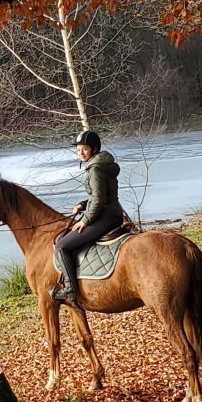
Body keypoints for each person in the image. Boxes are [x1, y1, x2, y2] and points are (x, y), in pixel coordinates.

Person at [50, 129, 124, 307]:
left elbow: (99, 200)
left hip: (104, 216)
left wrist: (85, 220)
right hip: (112, 214)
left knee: (62, 246)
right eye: (78, 150)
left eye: (84, 149)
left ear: (94, 148)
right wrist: (83, 204)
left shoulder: (95, 169)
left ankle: (70, 291)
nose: (81, 153)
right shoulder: (102, 165)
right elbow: (100, 195)